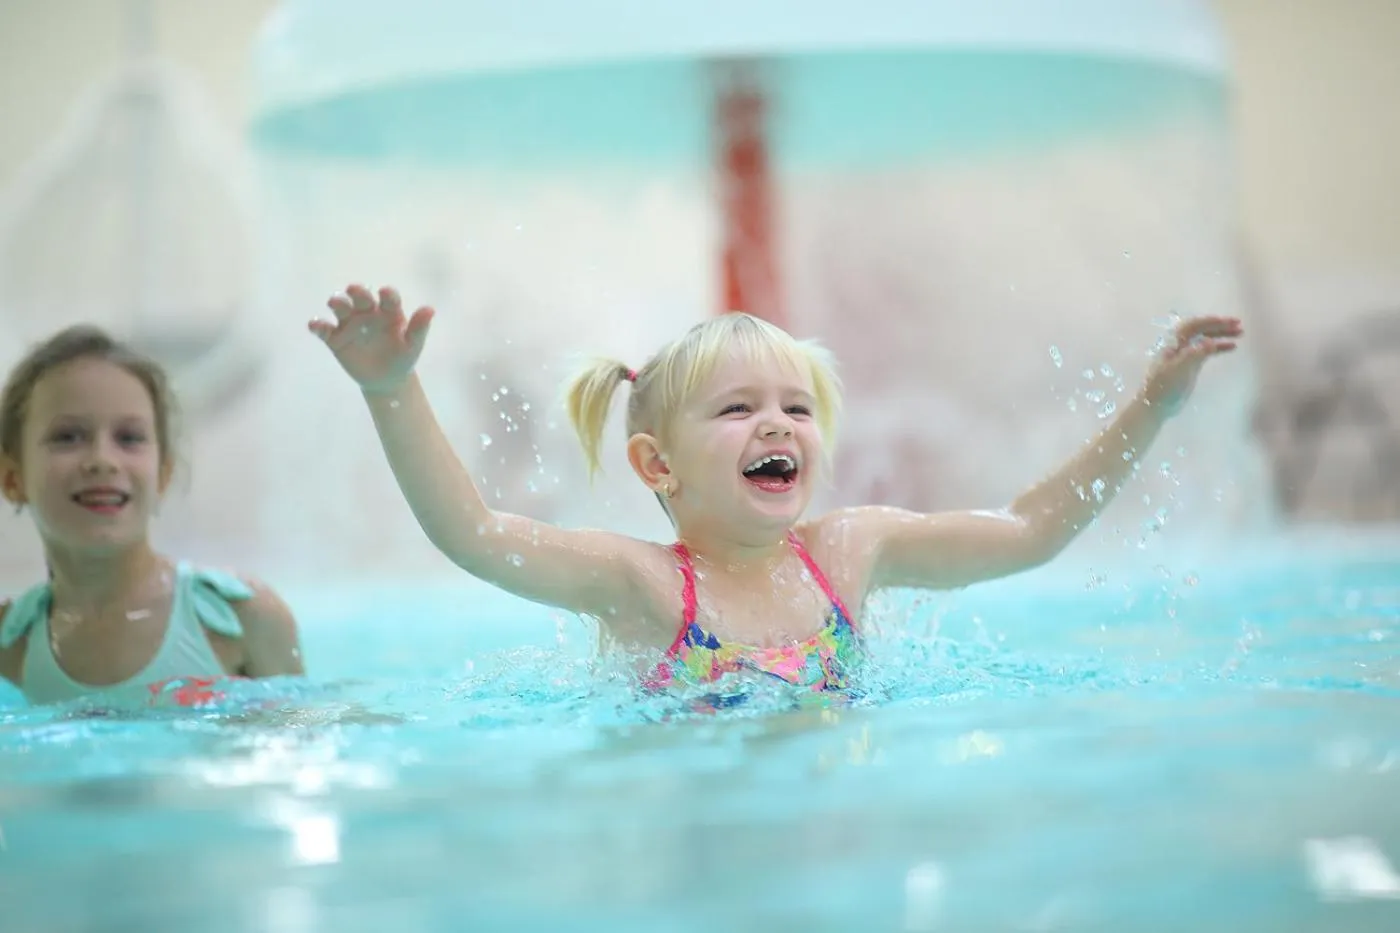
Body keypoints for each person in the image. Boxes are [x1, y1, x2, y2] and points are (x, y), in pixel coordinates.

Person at [312, 284, 1240, 693]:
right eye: (737, 408)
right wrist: (392, 390)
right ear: (658, 465)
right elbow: (472, 532)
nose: (778, 425)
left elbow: (1030, 529)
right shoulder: (643, 585)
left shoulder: (850, 552)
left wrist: (1151, 407)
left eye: (798, 407)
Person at [0, 326, 304, 706]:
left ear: (162, 476)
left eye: (129, 438)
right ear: (12, 478)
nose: (103, 460)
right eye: (68, 437)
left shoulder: (243, 622)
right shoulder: (10, 645)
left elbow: (308, 734)